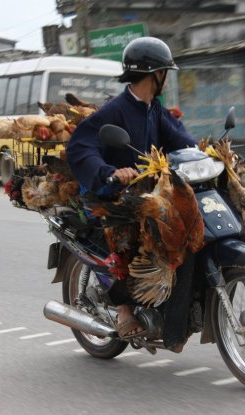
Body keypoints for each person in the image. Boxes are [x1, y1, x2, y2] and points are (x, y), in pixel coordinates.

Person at [66, 37, 197, 346]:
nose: (166, 78)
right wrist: (109, 172)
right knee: (127, 238)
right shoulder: (115, 111)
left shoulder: (154, 110)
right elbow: (81, 147)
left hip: (145, 194)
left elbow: (181, 140)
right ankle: (124, 311)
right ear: (154, 74)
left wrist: (206, 156)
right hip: (108, 196)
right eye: (165, 72)